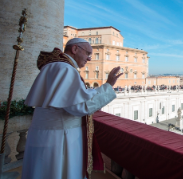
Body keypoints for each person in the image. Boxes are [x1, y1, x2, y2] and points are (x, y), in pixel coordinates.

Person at [21, 38, 123, 179]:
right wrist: (108, 86)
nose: (89, 58)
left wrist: (105, 86)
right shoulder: (65, 69)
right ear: (75, 49)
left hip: (49, 135)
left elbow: (78, 97)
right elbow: (80, 107)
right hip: (59, 139)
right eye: (88, 53)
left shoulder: (56, 67)